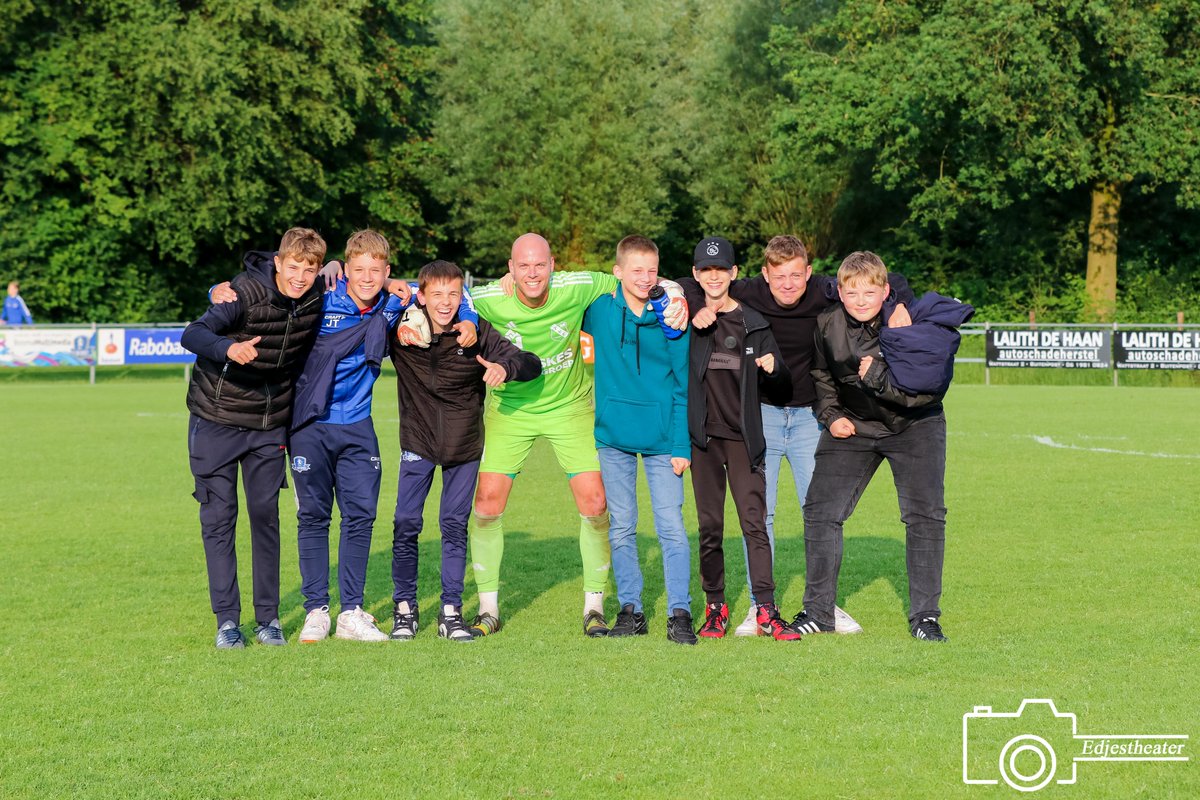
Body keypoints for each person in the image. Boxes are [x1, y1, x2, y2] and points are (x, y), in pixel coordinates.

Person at [680, 235, 914, 636]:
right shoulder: (746, 289)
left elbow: (890, 279)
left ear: (808, 272)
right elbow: (690, 283)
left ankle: (823, 605)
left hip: (811, 417)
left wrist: (900, 305)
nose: (787, 284)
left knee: (820, 513)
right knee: (760, 514)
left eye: (795, 275)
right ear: (763, 274)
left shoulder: (824, 290)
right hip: (760, 415)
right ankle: (759, 608)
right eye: (779, 275)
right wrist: (700, 305)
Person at [467, 232, 685, 638]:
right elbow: (436, 294)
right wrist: (389, 285)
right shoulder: (485, 298)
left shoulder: (579, 284)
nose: (532, 273)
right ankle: (488, 608)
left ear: (553, 266)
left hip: (570, 408)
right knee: (487, 503)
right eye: (523, 266)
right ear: (510, 269)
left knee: (596, 502)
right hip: (511, 409)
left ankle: (594, 606)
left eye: (540, 265)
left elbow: (633, 277)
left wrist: (672, 288)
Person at [794, 251, 951, 642]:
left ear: (886, 291)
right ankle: (818, 613)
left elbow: (928, 391)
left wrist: (878, 375)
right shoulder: (827, 323)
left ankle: (925, 618)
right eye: (852, 292)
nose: (861, 300)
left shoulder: (912, 323)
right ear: (840, 293)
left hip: (915, 425)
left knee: (925, 516)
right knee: (820, 511)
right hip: (855, 426)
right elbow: (821, 376)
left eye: (870, 291)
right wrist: (832, 417)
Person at [180, 227, 326, 649]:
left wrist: (391, 282)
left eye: (309, 269)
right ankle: (227, 622)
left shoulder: (316, 295)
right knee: (219, 521)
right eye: (293, 267)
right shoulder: (241, 293)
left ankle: (269, 620)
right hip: (216, 420)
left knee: (266, 518)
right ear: (278, 263)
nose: (300, 277)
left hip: (268, 425)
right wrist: (228, 349)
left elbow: (357, 275)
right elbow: (193, 333)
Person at [389, 260, 542, 643]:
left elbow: (531, 362)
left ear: (463, 297)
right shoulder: (402, 332)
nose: (445, 303)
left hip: (464, 445)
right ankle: (404, 610)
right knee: (406, 522)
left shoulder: (474, 333)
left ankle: (450, 612)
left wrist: (506, 368)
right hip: (418, 441)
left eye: (453, 295)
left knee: (453, 526)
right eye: (436, 294)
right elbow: (371, 291)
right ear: (421, 296)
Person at [582, 235, 696, 646]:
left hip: (664, 438)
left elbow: (683, 386)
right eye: (636, 270)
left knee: (671, 528)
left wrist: (682, 445)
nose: (645, 278)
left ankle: (679, 611)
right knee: (623, 527)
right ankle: (631, 610)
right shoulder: (597, 309)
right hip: (613, 438)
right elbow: (548, 299)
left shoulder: (673, 318)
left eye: (652, 270)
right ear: (618, 272)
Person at [685, 236, 801, 641]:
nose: (713, 277)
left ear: (734, 273)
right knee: (710, 526)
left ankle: (766, 609)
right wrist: (695, 305)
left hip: (744, 441)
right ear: (697, 274)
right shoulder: (688, 318)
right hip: (703, 442)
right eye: (706, 270)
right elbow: (661, 285)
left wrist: (776, 369)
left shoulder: (755, 324)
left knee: (754, 524)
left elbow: (785, 385)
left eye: (721, 270)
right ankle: (714, 606)